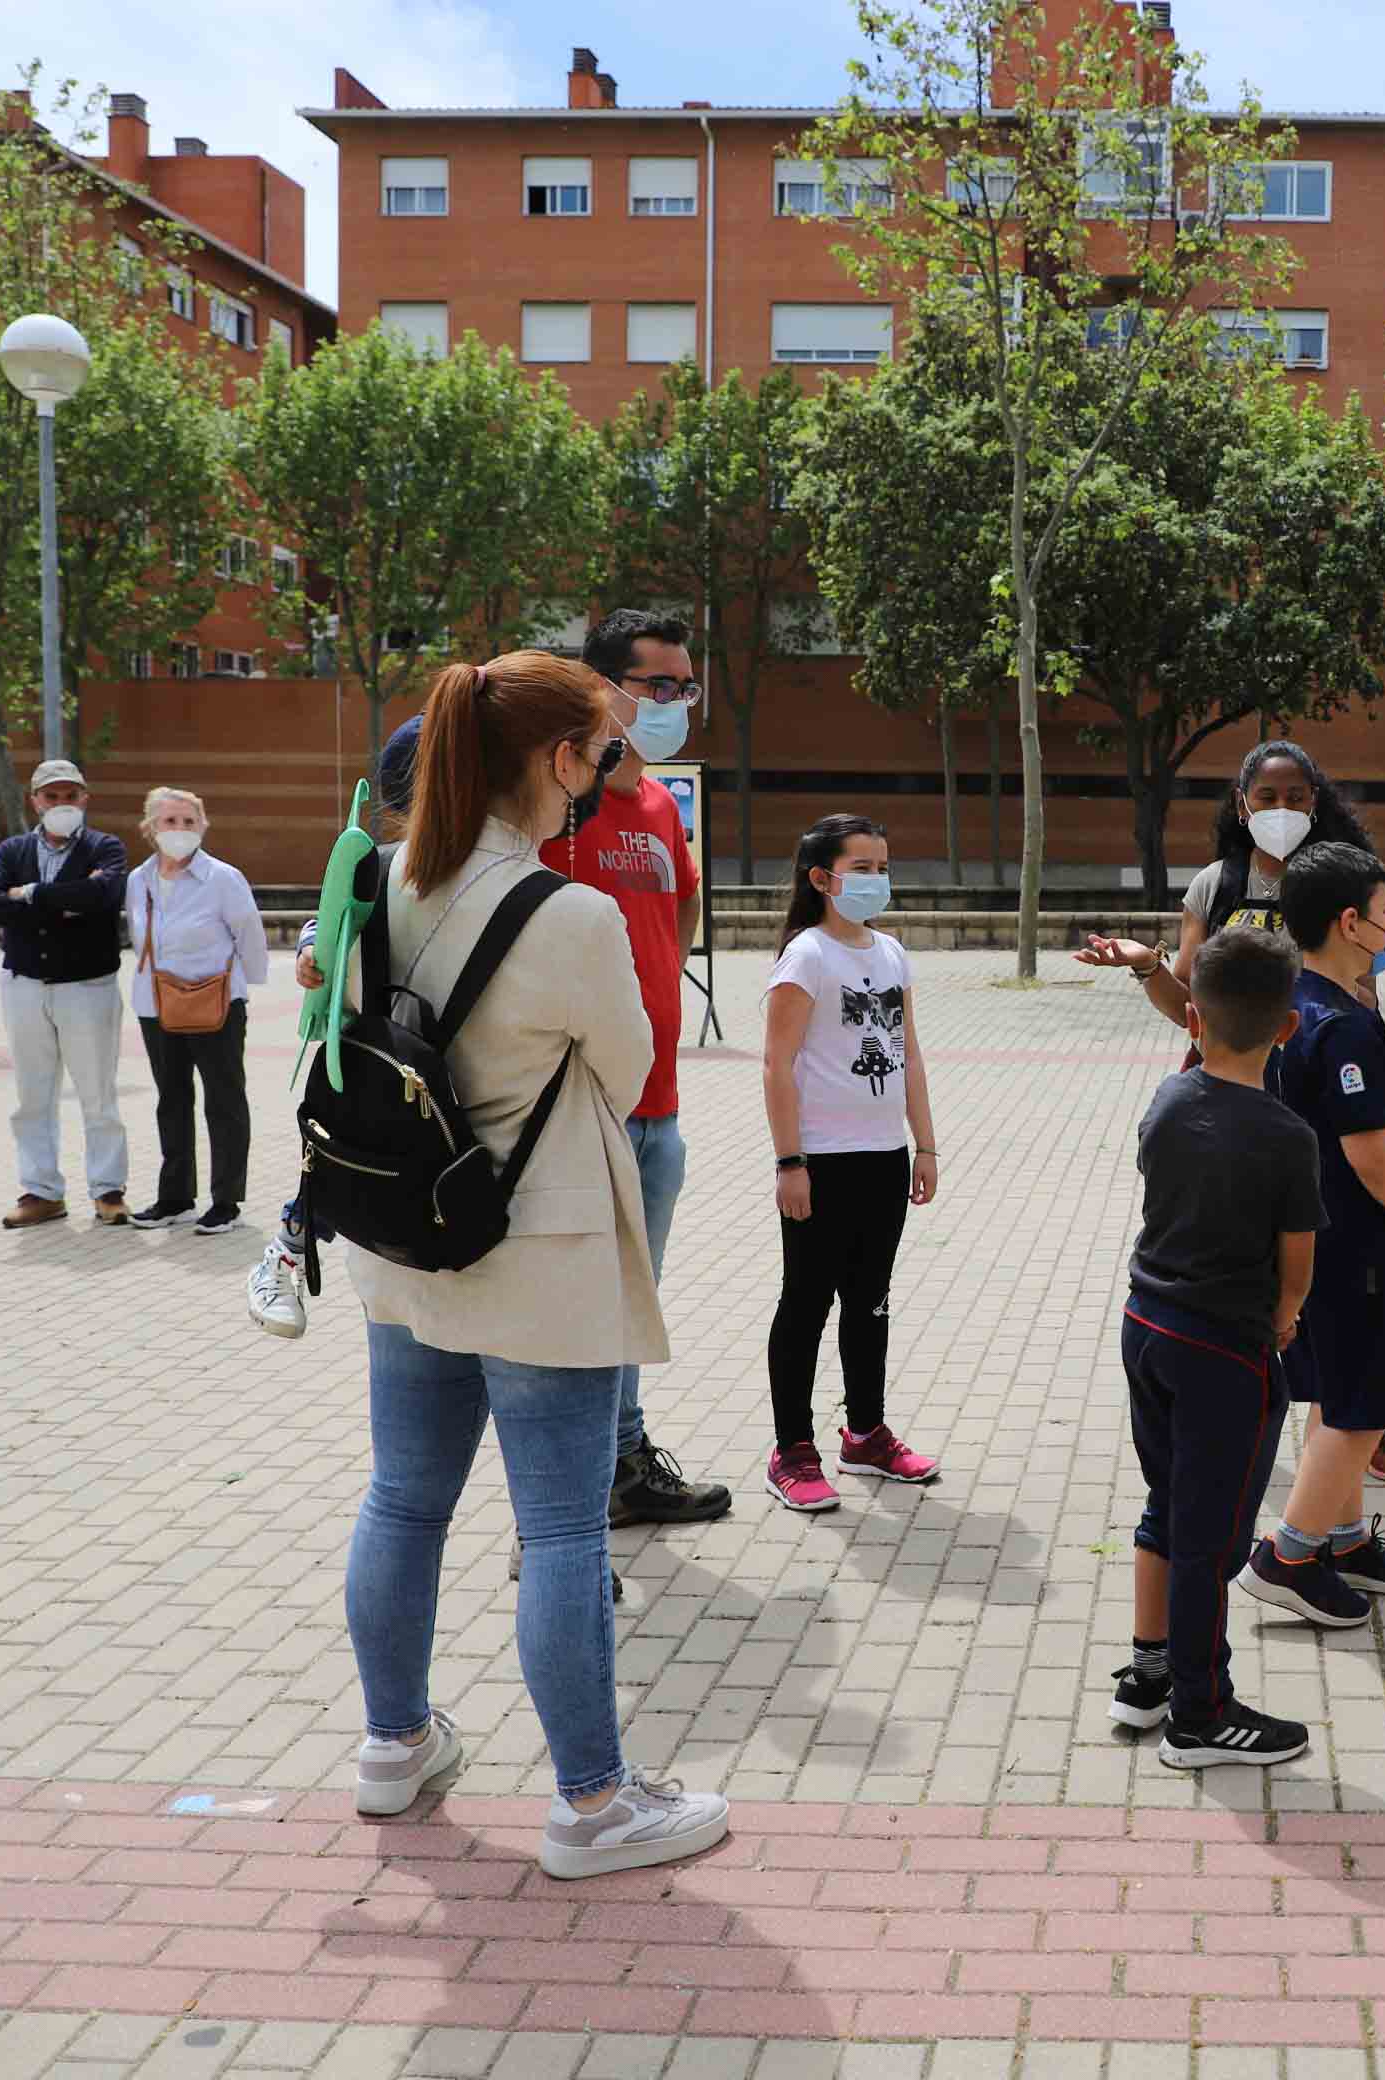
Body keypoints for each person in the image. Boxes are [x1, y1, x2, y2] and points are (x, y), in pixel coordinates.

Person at [336, 648, 726, 1879]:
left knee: (403, 1497)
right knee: (561, 1528)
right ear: (559, 760)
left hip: (405, 1234)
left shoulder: (375, 880)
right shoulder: (572, 912)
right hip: (540, 1246)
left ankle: (393, 1746)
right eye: (600, 753)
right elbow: (625, 1065)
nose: (603, 775)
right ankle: (593, 1804)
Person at [1074, 740, 1385, 1488]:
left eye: (1298, 797)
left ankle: (1358, 1418)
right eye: (1266, 799)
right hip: (1231, 1105)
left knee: (1332, 1257)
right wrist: (1146, 966)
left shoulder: (1342, 884)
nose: (1283, 812)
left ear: (1317, 802)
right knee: (1254, 1269)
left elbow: (1360, 993)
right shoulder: (1217, 885)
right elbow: (1190, 1007)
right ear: (1241, 806)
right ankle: (1263, 1399)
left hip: (1312, 1103)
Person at [535, 609, 728, 1527]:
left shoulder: (657, 806)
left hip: (658, 1105)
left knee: (628, 1300)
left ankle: (619, 1465)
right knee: (578, 1307)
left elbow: (679, 913)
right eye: (658, 685)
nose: (675, 702)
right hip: (576, 1105)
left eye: (685, 686)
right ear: (603, 686)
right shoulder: (554, 803)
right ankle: (566, 1503)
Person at [1113, 925, 1322, 1769]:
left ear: (1192, 1018)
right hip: (1226, 1354)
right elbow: (1296, 1267)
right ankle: (1200, 1715)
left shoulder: (1169, 1098)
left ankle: (1150, 1671)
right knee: (1214, 1540)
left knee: (1168, 1504)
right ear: (1289, 1028)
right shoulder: (1286, 1135)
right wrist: (1285, 1319)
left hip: (1147, 1328)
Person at [1239, 841, 1385, 1628]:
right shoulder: (1344, 1026)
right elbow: (1370, 1150)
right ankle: (1288, 1557)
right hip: (1354, 1242)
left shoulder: (1294, 1001)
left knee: (1334, 1391)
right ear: (1350, 923)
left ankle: (1348, 1540)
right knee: (1362, 1405)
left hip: (1310, 1233)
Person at [761, 813, 942, 1511]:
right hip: (820, 1162)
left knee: (870, 1302)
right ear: (822, 878)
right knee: (805, 1303)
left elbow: (911, 1055)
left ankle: (865, 1432)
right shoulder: (806, 956)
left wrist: (923, 1145)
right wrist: (789, 1161)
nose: (876, 880)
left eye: (882, 867)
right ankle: (792, 1449)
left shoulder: (891, 954)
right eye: (861, 868)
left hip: (883, 1161)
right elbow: (777, 1065)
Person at [250, 716, 423, 1339]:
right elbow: (329, 919)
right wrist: (310, 957)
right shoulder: (376, 865)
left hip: (443, 1060)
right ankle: (287, 1251)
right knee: (339, 1152)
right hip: (376, 1049)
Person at [0, 758, 131, 1229]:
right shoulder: (11, 850)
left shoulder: (106, 848)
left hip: (88, 987)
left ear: (84, 798)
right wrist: (67, 899)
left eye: (71, 795)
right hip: (25, 985)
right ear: (35, 801)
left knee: (97, 1094)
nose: (61, 804)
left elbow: (104, 898)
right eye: (52, 796)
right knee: (32, 1096)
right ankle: (41, 1191)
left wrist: (31, 896)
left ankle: (108, 1190)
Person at [125, 788, 269, 1237]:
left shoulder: (224, 878)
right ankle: (175, 1198)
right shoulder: (139, 880)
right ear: (150, 829)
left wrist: (246, 989)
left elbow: (250, 936)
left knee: (224, 1101)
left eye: (189, 822)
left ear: (203, 827)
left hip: (218, 1003)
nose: (180, 831)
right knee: (171, 1099)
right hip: (157, 1004)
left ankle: (226, 1201)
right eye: (170, 822)